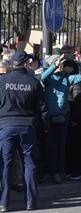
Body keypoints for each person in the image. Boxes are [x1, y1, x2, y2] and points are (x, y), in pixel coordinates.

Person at [0, 50, 44, 211]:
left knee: (6, 164)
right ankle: (30, 202)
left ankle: (4, 202)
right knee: (30, 164)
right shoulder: (33, 82)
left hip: (5, 126)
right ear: (25, 63)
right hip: (27, 126)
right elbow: (41, 108)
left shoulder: (2, 81)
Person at [41, 48, 81, 184]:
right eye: (59, 64)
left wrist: (80, 64)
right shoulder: (49, 78)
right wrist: (56, 64)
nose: (61, 65)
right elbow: (43, 78)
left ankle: (60, 171)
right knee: (50, 145)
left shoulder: (67, 78)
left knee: (61, 145)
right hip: (49, 116)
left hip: (63, 116)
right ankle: (50, 171)